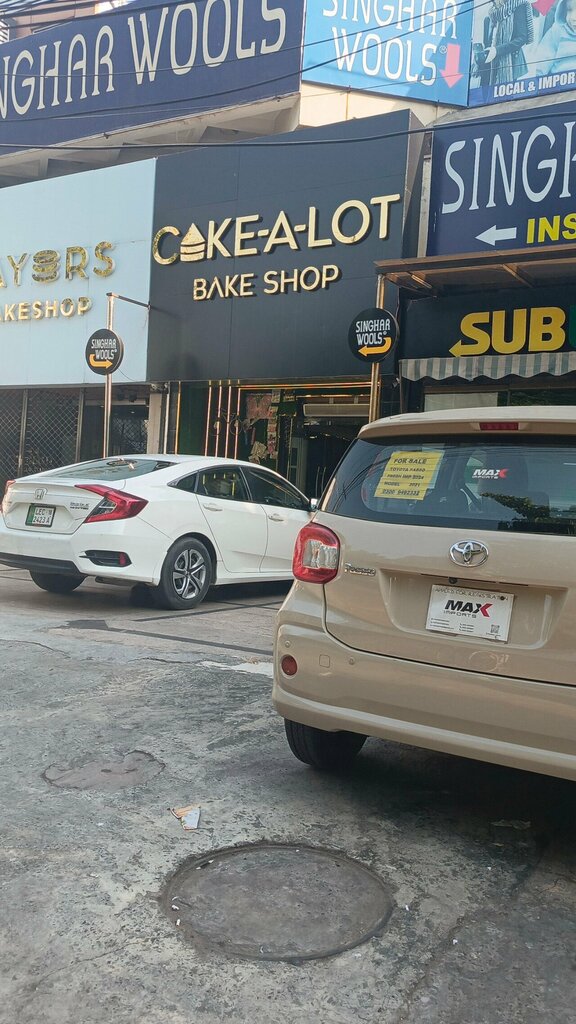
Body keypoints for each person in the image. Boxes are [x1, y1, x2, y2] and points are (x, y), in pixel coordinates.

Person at [474, 0, 534, 85]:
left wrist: (496, 51)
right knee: (486, 96)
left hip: (510, 64)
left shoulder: (518, 6)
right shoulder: (489, 18)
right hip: (488, 67)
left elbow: (522, 38)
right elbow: (487, 43)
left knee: (506, 96)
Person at [530, 0, 576, 74]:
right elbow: (544, 55)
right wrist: (537, 76)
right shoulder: (558, 30)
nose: (573, 18)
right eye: (569, 10)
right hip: (558, 79)